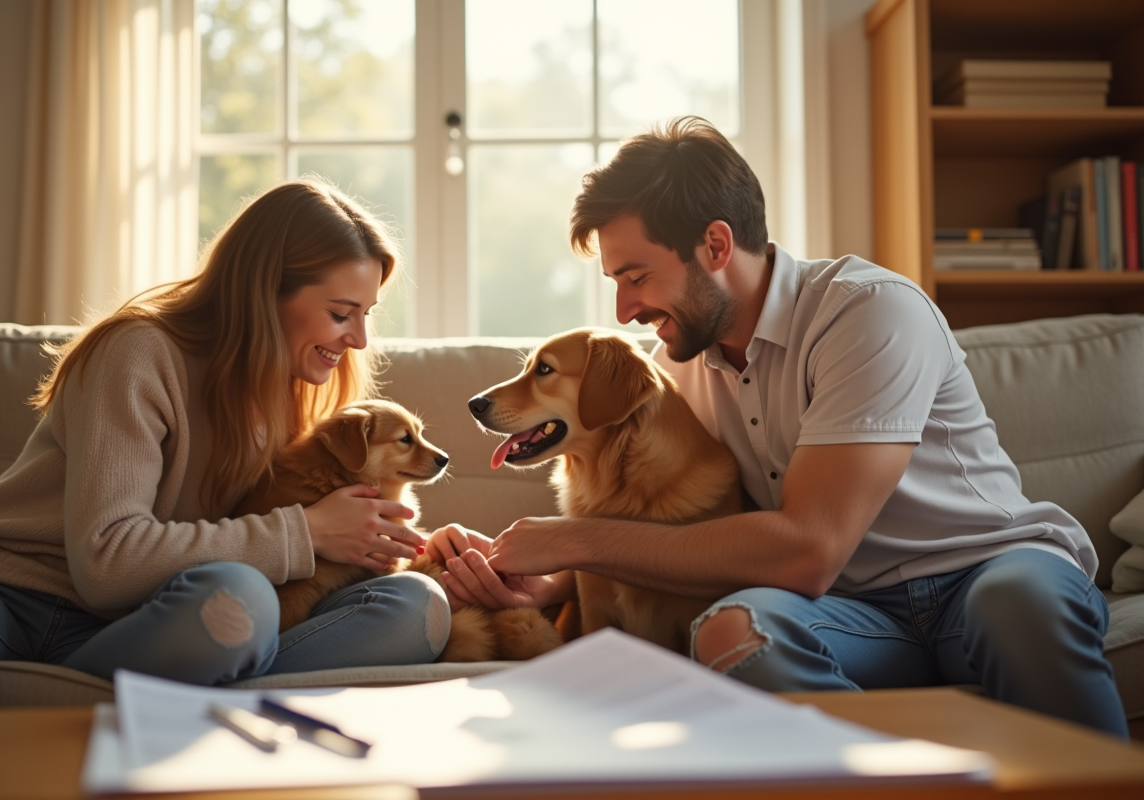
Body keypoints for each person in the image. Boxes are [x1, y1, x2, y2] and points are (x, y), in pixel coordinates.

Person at [429, 116, 1128, 738]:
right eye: (617, 281)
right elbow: (671, 532)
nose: (625, 308)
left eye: (636, 275)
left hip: (987, 572)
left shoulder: (869, 313)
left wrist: (574, 539)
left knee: (1019, 604)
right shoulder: (678, 372)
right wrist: (550, 578)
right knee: (736, 629)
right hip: (855, 614)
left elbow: (808, 549)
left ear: (714, 244)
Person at [0, 179, 450, 740]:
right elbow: (106, 564)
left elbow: (299, 536)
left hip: (150, 626)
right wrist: (302, 533)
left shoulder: (297, 389)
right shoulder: (137, 353)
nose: (356, 339)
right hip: (10, 602)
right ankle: (141, 708)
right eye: (340, 313)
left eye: (364, 315)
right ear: (264, 294)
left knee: (414, 606)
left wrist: (429, 549)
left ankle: (98, 701)